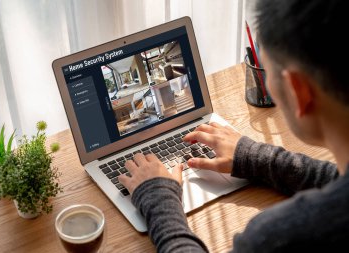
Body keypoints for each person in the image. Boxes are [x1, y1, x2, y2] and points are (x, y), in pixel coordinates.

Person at [118, 0, 349, 252]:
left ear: (298, 92)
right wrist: (256, 158)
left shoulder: (278, 238)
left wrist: (158, 199)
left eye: (268, 70)